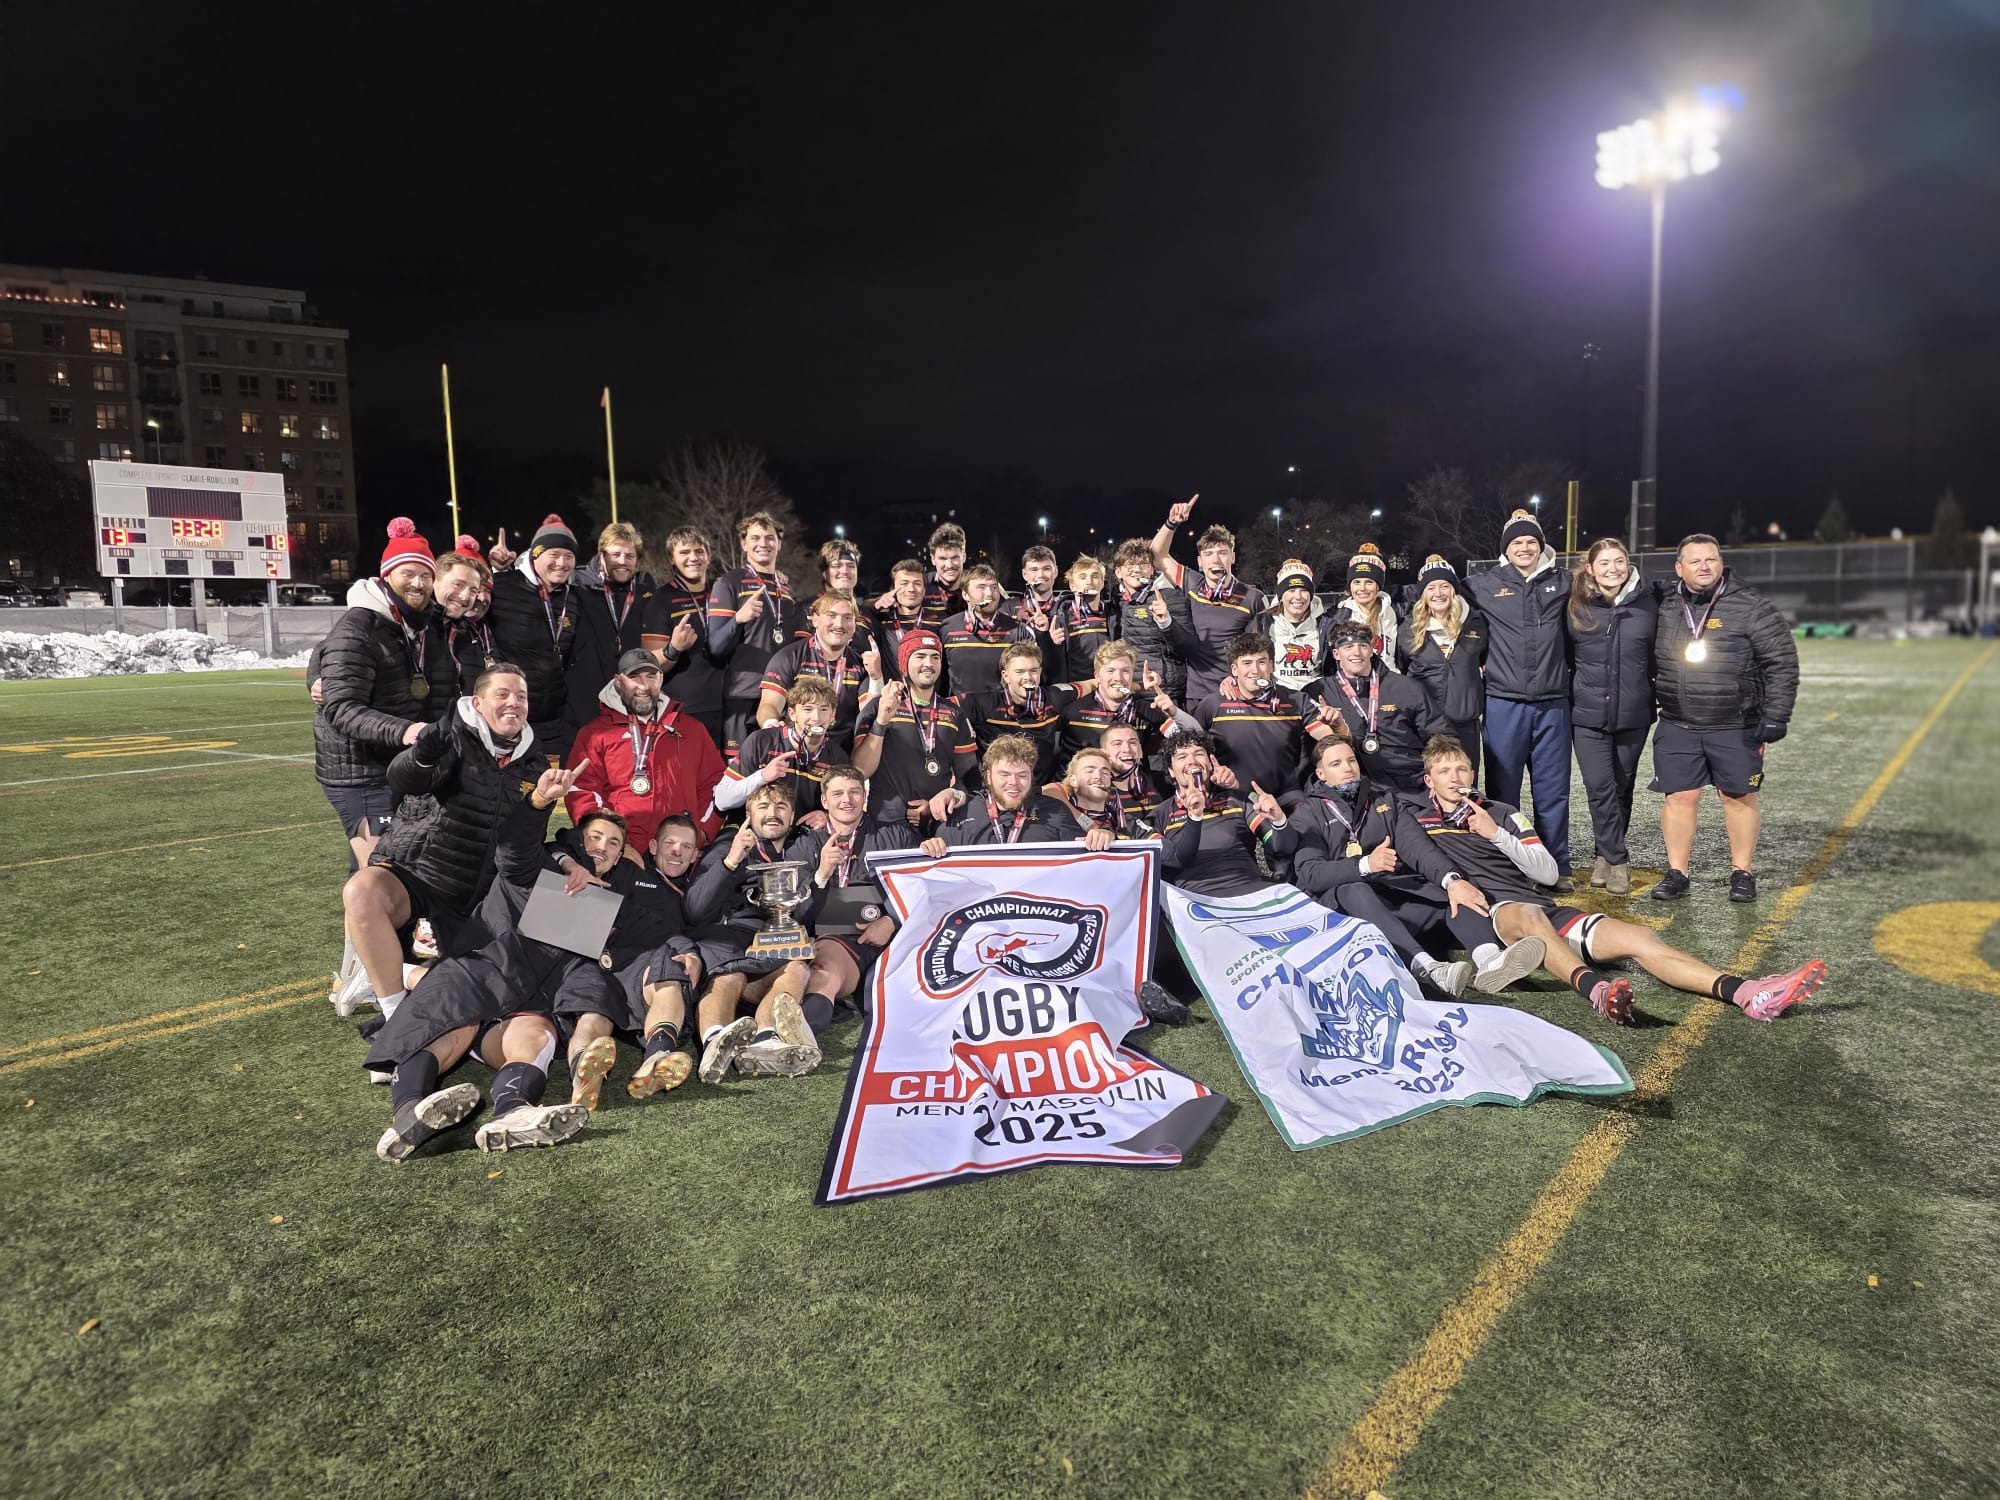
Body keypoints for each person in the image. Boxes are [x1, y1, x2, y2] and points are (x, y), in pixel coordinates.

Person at [1406, 736, 1826, 1025]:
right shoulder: (1416, 819)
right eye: (1445, 771)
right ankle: (1595, 991)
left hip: (1543, 909)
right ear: (1430, 781)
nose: (1457, 777)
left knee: (1642, 939)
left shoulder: (1501, 812)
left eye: (1462, 768)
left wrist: (1494, 834)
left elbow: (1548, 873)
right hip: (1498, 913)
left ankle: (1745, 992)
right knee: (1531, 914)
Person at [365, 814, 622, 1160]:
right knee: (452, 1021)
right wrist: (540, 810)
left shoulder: (612, 899)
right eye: (594, 837)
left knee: (537, 1036)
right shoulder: (540, 865)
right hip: (481, 974)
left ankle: (512, 1111)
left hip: (528, 1002)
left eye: (613, 843)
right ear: (576, 840)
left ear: (621, 856)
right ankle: (409, 1110)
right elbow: (513, 847)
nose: (601, 847)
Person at [336, 664, 576, 1019]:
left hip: (480, 899)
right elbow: (404, 779)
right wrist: (421, 755)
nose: (514, 703)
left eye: (521, 696)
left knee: (490, 991)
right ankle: (393, 1013)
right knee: (363, 890)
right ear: (478, 703)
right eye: (503, 694)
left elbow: (520, 846)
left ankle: (391, 972)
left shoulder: (535, 763)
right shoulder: (451, 737)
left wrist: (541, 809)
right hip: (421, 876)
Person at [1287, 736, 1542, 997]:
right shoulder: (1307, 813)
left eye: (1351, 760)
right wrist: (1364, 864)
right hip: (1342, 914)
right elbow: (1310, 874)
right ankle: (1429, 969)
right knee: (1354, 888)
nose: (1348, 767)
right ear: (1321, 773)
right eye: (1336, 763)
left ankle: (1490, 960)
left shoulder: (1382, 800)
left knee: (1452, 890)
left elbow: (1418, 846)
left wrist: (1452, 881)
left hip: (1388, 904)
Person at [1649, 533, 1800, 904]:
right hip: (1677, 721)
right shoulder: (1664, 603)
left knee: (1738, 796)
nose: (1704, 567)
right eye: (1695, 561)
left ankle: (1742, 872)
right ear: (1678, 568)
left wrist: (1776, 715)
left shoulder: (1749, 605)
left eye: (1711, 560)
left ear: (1721, 563)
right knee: (1680, 798)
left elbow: (1781, 661)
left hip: (1735, 723)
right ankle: (1677, 872)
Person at [314, 518, 448, 876]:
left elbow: (323, 653)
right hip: (359, 770)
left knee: (372, 874)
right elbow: (341, 708)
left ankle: (359, 935)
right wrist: (406, 731)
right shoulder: (360, 624)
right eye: (408, 573)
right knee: (382, 876)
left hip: (398, 765)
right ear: (387, 575)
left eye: (425, 575)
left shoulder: (421, 620)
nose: (418, 583)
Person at [684, 781, 823, 1080]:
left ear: (792, 815)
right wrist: (731, 861)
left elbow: (805, 914)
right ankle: (714, 1041)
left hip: (771, 947)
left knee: (798, 968)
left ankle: (766, 1039)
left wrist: (821, 877)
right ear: (748, 813)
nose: (772, 813)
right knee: (728, 972)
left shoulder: (799, 850)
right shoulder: (728, 844)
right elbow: (695, 910)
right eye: (763, 806)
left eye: (781, 807)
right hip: (730, 942)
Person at [1469, 508, 1574, 886]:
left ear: (1541, 546)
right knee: (1503, 792)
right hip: (1503, 702)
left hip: (1553, 703)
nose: (1525, 547)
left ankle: (1557, 865)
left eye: (1531, 541)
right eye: (1517, 542)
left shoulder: (1565, 582)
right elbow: (1439, 596)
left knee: (1553, 791)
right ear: (1506, 549)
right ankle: (1511, 866)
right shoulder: (1484, 584)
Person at [785, 764, 913, 1035]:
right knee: (822, 971)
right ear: (824, 800)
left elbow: (920, 892)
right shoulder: (804, 845)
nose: (847, 800)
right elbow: (795, 916)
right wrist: (821, 875)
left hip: (889, 937)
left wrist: (894, 920)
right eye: (838, 793)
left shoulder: (896, 836)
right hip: (832, 942)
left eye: (855, 792)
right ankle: (797, 1037)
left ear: (865, 797)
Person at [564, 648, 725, 852]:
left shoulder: (692, 729)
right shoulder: (594, 734)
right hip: (623, 856)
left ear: (661, 679)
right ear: (618, 681)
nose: (644, 686)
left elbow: (715, 784)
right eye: (634, 677)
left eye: (651, 676)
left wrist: (700, 833)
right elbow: (582, 790)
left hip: (678, 855)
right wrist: (616, 845)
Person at [1566, 537, 1658, 895]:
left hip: (1634, 713)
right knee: (1599, 787)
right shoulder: (1575, 603)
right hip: (1587, 713)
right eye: (1604, 563)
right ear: (1591, 568)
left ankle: (1604, 855)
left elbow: (1657, 654)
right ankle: (1619, 860)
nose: (1613, 569)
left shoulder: (1649, 602)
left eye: (1619, 561)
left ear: (1629, 564)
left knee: (1623, 786)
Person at [852, 629, 979, 832]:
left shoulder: (954, 713)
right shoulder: (879, 706)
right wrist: (882, 720)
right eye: (920, 656)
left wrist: (948, 798)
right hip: (885, 825)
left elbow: (970, 779)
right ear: (904, 664)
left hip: (939, 825)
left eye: (935, 657)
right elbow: (860, 771)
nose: (928, 663)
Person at [1181, 631, 1328, 797]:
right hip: (1231, 799)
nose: (1255, 670)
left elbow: (1329, 739)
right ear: (1234, 670)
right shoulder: (1213, 704)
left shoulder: (1296, 700)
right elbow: (1187, 746)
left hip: (1286, 797)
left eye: (1261, 662)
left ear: (1271, 666)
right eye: (1247, 663)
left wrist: (1338, 726)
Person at [1149, 496, 1265, 705]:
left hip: (1236, 690)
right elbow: (1157, 555)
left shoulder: (1252, 597)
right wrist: (1172, 523)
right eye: (1209, 553)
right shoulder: (1193, 584)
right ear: (1200, 562)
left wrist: (1237, 679)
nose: (1216, 559)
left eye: (1223, 553)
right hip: (1196, 693)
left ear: (1233, 557)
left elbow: (1255, 649)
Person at [485, 514, 582, 763]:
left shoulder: (572, 597)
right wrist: (495, 569)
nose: (561, 563)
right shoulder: (502, 585)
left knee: (549, 792)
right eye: (554, 555)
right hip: (508, 717)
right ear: (535, 555)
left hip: (554, 718)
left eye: (569, 556)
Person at [1307, 620, 1442, 792]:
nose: (1357, 652)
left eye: (1363, 646)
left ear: (1371, 650)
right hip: (1354, 785)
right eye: (1348, 647)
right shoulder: (1319, 692)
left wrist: (1440, 774)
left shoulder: (1406, 687)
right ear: (1336, 654)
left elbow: (1437, 734)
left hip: (1409, 783)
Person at [707, 510, 805, 749]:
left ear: (779, 544)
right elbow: (716, 648)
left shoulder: (786, 589)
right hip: (743, 695)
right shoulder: (729, 583)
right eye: (755, 537)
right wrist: (738, 619)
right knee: (739, 775)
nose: (763, 543)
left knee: (776, 772)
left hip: (781, 696)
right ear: (743, 543)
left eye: (770, 537)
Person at [1155, 731, 1296, 896]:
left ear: (1210, 763)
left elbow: (1285, 847)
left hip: (1250, 892)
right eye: (1182, 757)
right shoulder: (1160, 814)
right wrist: (1194, 815)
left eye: (1199, 754)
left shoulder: (1237, 800)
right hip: (1195, 901)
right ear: (1171, 771)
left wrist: (1279, 820)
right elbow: (1173, 862)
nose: (1192, 761)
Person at [564, 521, 655, 739]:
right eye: (616, 554)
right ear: (602, 555)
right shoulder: (577, 585)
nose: (622, 562)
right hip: (583, 700)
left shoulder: (646, 592)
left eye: (629, 556)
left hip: (629, 698)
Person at [640, 525, 728, 748]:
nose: (693, 558)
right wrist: (673, 648)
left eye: (699, 551)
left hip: (728, 707)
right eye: (684, 552)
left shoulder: (723, 592)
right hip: (686, 709)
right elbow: (649, 665)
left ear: (708, 555)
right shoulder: (661, 600)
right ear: (672, 558)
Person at [1396, 554, 1487, 771]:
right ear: (1422, 594)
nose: (1438, 593)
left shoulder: (1476, 622)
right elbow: (1402, 667)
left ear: (1454, 590)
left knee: (1464, 784)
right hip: (1425, 724)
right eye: (1431, 587)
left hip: (1465, 723)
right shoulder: (1408, 629)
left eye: (1444, 586)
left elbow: (1484, 661)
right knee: (1428, 787)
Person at [718, 673, 846, 826]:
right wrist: (762, 776)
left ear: (833, 715)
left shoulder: (839, 758)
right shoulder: (761, 741)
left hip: (801, 837)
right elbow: (722, 799)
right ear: (792, 714)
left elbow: (848, 805)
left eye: (824, 710)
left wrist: (827, 816)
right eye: (807, 709)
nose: (816, 718)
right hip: (754, 831)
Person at [921, 734, 1085, 850]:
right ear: (989, 777)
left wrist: (1098, 837)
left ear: (1031, 777)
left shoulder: (1056, 811)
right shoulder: (960, 815)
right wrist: (930, 849)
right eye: (1004, 774)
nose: (1013, 782)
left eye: (1022, 775)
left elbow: (1082, 863)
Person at [755, 591, 877, 739]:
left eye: (847, 618)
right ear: (815, 620)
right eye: (831, 616)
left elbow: (869, 715)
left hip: (840, 752)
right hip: (797, 747)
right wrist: (771, 723)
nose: (839, 624)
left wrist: (876, 678)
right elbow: (769, 705)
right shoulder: (789, 657)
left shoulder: (862, 664)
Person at [963, 640, 1076, 787]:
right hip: (995, 794)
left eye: (1033, 670)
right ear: (1005, 676)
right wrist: (962, 720)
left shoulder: (1054, 697)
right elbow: (942, 705)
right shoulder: (985, 703)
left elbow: (1091, 684)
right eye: (1020, 671)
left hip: (1039, 794)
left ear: (1040, 672)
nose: (1028, 677)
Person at [1109, 537, 1195, 705]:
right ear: (1118, 572)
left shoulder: (1169, 597)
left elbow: (1188, 649)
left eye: (1143, 564)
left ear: (1152, 570)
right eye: (1130, 564)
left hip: (1162, 693)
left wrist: (1167, 622)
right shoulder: (1116, 603)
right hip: (1129, 693)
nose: (1137, 570)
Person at [939, 564, 1041, 698]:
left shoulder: (1019, 630)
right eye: (981, 587)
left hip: (1003, 715)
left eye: (994, 587)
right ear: (965, 594)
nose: (989, 594)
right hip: (961, 714)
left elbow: (1034, 675)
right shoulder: (947, 628)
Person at [1057, 641, 1172, 759]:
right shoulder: (1073, 712)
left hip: (1132, 776)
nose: (1118, 678)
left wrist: (1174, 713)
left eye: (1125, 671)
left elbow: (1185, 738)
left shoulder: (1147, 710)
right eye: (1110, 671)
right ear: (1097, 676)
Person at [1044, 746, 1156, 839]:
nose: (1098, 777)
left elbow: (1163, 848)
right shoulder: (1059, 816)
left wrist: (1111, 836)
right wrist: (1087, 824)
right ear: (1073, 780)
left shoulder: (1122, 820)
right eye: (1089, 771)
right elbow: (1047, 790)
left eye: (1105, 773)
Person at [1261, 559, 1335, 692]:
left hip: (1315, 700)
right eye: (1292, 590)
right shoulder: (1263, 623)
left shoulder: (1326, 625)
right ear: (1281, 596)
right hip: (1277, 698)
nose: (1298, 596)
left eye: (1303, 590)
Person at [431, 542, 496, 693]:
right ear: (434, 580)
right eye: (458, 585)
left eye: (473, 590)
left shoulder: (467, 632)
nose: (465, 597)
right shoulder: (412, 629)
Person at [1054, 554, 1113, 682]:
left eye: (1095, 576)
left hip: (1108, 685)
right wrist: (1053, 644)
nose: (1089, 582)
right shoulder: (1061, 618)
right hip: (1078, 688)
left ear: (1102, 583)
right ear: (1072, 585)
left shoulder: (1114, 614)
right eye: (1082, 577)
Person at [1100, 722, 1168, 826]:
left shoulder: (1162, 782)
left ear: (1140, 751)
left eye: (1132, 743)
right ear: (1104, 754)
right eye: (1117, 744)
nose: (1127, 749)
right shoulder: (1095, 789)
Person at [1336, 544, 1397, 658]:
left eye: (1369, 582)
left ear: (1378, 586)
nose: (1362, 588)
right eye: (1357, 582)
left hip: (1389, 674)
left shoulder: (1395, 612)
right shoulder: (1337, 616)